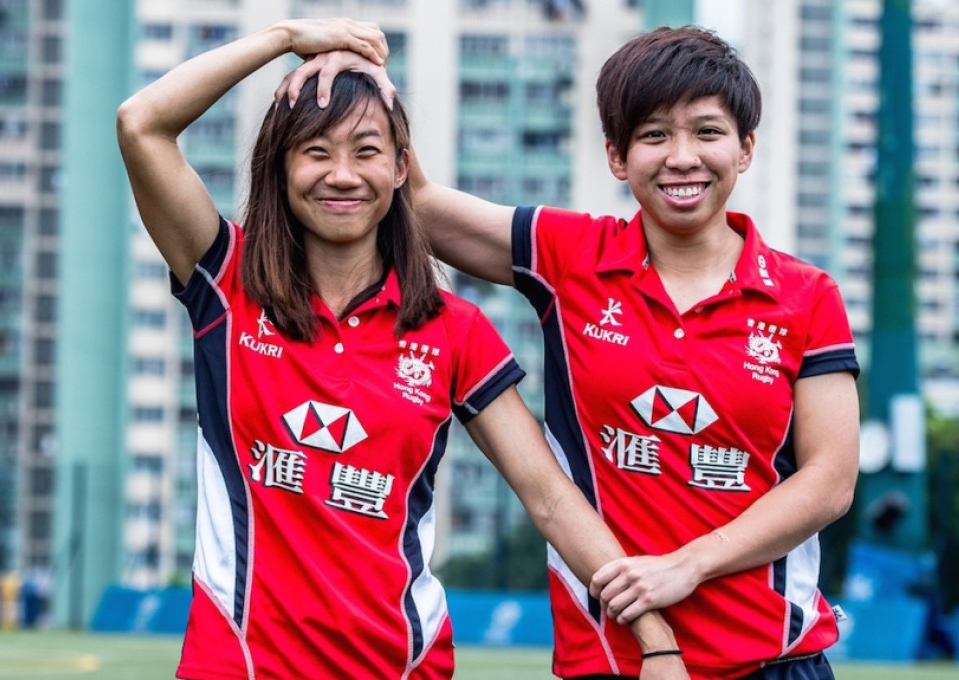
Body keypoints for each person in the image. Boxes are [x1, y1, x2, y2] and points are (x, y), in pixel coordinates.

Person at [283, 22, 861, 680]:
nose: (681, 157)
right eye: (653, 136)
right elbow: (411, 202)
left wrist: (688, 565)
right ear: (617, 156)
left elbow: (830, 483)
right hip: (612, 661)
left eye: (706, 132)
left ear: (745, 147)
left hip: (774, 662)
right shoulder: (569, 256)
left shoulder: (806, 296)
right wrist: (365, 90)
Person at [116, 18, 679, 680]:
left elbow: (550, 497)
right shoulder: (226, 284)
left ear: (400, 167)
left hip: (403, 667)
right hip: (237, 665)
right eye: (316, 152)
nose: (342, 175)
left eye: (366, 150)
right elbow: (141, 124)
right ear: (282, 166)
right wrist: (283, 39)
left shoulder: (454, 328)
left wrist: (654, 635)